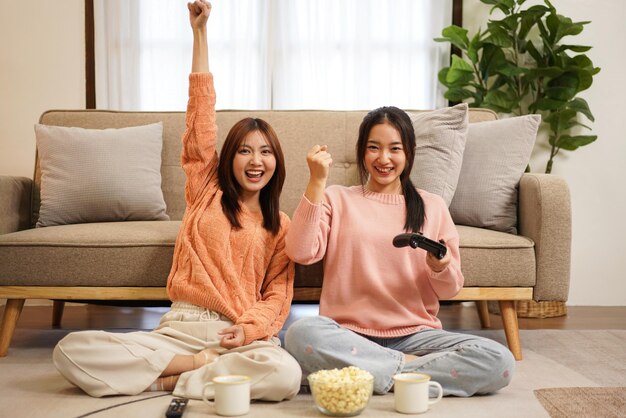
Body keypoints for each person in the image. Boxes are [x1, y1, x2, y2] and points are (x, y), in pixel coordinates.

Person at [53, 0, 301, 401]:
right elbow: (200, 117)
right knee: (71, 350)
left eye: (266, 152)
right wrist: (199, 33)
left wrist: (249, 330)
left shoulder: (281, 224)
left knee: (285, 374)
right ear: (228, 158)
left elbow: (277, 296)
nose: (256, 161)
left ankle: (164, 382)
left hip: (235, 333)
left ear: (277, 161)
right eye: (244, 151)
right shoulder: (206, 190)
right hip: (180, 329)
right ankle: (198, 371)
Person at [284, 106, 515, 397]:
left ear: (410, 152)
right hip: (347, 335)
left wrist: (440, 267)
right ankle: (409, 374)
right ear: (362, 151)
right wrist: (317, 182)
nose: (383, 159)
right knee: (301, 334)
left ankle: (364, 373)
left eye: (395, 148)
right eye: (373, 148)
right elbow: (300, 252)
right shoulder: (337, 198)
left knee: (499, 360)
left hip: (415, 338)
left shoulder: (432, 206)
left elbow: (450, 290)